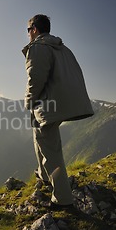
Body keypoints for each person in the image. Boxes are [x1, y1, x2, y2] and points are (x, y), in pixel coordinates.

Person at [21, 14, 94, 207]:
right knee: (41, 135)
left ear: (34, 29)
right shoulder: (62, 48)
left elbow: (35, 79)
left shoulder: (38, 47)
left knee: (50, 149)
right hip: (64, 101)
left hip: (49, 102)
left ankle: (62, 199)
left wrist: (28, 101)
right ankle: (44, 176)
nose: (28, 34)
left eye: (28, 30)